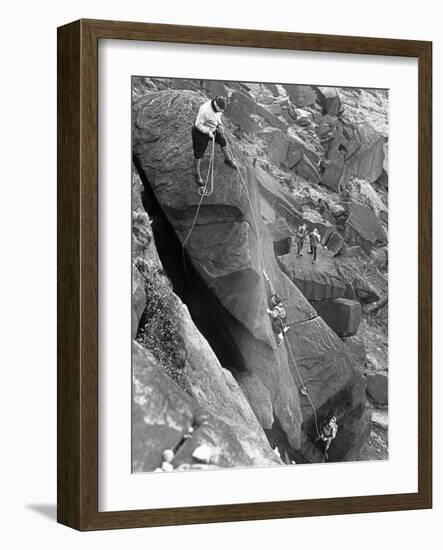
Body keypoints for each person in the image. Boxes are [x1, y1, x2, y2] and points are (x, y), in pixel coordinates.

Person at [192, 96, 237, 185]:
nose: (222, 111)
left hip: (213, 129)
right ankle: (196, 173)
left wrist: (219, 125)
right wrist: (208, 132)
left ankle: (228, 159)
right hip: (200, 132)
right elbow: (198, 124)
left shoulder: (218, 108)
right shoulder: (205, 110)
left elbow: (218, 117)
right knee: (198, 154)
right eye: (221, 109)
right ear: (216, 105)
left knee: (223, 142)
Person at [263, 271, 289, 346]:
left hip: (281, 318)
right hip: (282, 316)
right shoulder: (273, 296)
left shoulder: (277, 307)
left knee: (275, 325)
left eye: (274, 299)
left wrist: (268, 311)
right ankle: (284, 328)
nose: (272, 298)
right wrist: (265, 275)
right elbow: (270, 285)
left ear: (276, 302)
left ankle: (281, 335)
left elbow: (274, 315)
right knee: (279, 324)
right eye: (273, 297)